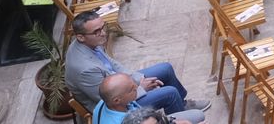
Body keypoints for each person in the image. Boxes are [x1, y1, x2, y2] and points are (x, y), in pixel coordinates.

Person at [65, 10, 209, 116]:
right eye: (97, 31)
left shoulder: (90, 41)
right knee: (169, 93)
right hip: (115, 107)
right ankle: (177, 112)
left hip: (118, 84)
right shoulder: (84, 69)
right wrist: (140, 89)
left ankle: (181, 105)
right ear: (80, 37)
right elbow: (109, 100)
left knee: (165, 68)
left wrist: (138, 79)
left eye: (103, 27)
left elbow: (112, 64)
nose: (103, 33)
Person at [91, 73, 205, 124]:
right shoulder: (123, 122)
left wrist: (172, 122)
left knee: (195, 115)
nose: (137, 88)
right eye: (132, 89)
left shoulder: (105, 101)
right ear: (117, 100)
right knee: (199, 116)